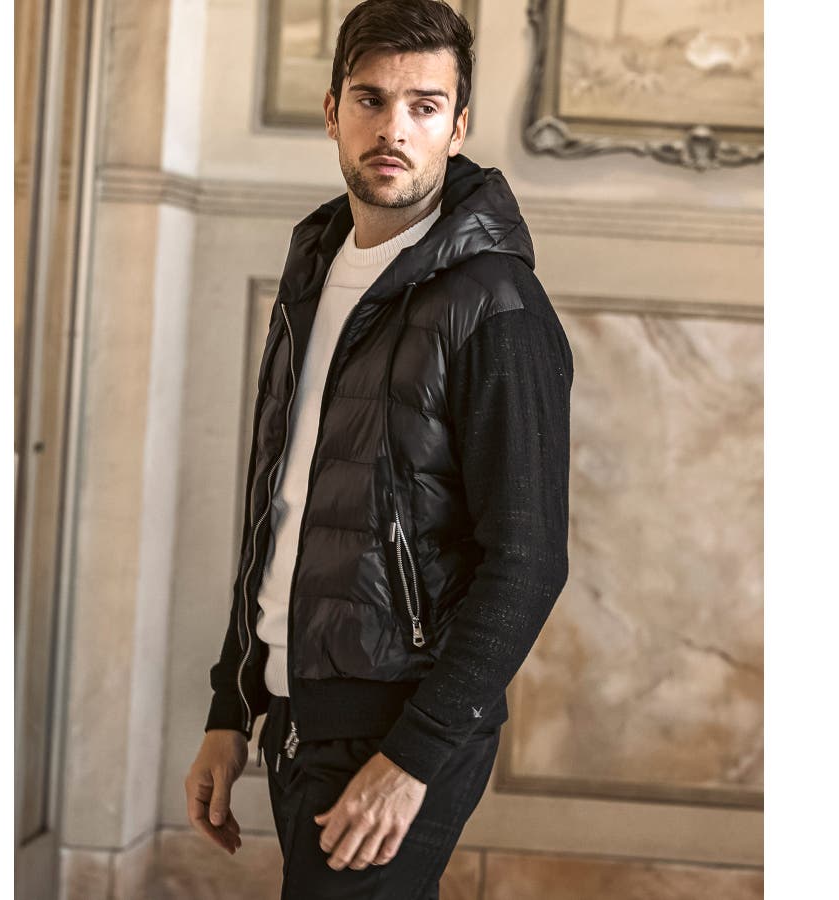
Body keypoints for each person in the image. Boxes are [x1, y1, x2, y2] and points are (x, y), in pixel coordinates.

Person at [184, 1, 573, 896]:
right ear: (333, 112)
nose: (395, 128)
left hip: (400, 724)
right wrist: (232, 703)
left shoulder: (496, 305)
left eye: (425, 106)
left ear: (458, 127)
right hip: (297, 710)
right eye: (371, 99)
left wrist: (415, 756)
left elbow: (527, 560)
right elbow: (279, 512)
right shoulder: (314, 273)